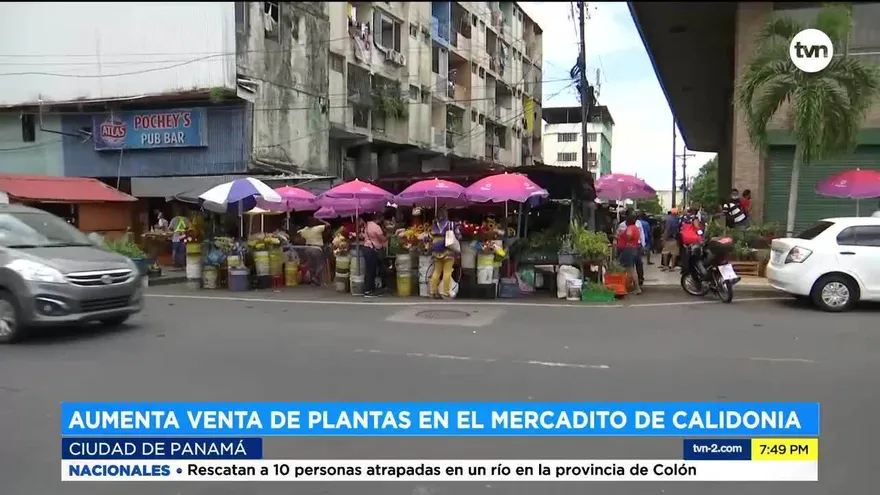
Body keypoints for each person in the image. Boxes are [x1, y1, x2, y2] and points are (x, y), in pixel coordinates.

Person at [429, 207, 460, 299]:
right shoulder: (451, 224)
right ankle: (446, 292)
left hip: (437, 252)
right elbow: (458, 235)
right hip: (448, 251)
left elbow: (429, 237)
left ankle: (433, 291)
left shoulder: (434, 225)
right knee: (447, 272)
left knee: (436, 272)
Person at [298, 217, 330, 286]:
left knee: (311, 264)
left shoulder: (304, 230)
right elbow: (328, 225)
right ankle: (316, 278)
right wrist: (321, 220)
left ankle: (313, 278)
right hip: (317, 248)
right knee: (319, 264)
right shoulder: (318, 228)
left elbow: (298, 233)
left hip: (308, 248)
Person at [361, 212, 387, 298]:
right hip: (371, 249)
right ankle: (368, 291)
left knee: (369, 269)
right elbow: (382, 238)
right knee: (371, 270)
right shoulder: (376, 227)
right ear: (378, 219)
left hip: (366, 248)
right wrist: (387, 237)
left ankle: (369, 289)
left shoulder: (367, 225)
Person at [616, 215, 642, 295]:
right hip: (634, 249)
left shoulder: (630, 228)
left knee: (629, 270)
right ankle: (635, 288)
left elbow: (628, 235)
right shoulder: (636, 228)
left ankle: (629, 288)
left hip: (628, 250)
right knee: (631, 270)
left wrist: (626, 241)